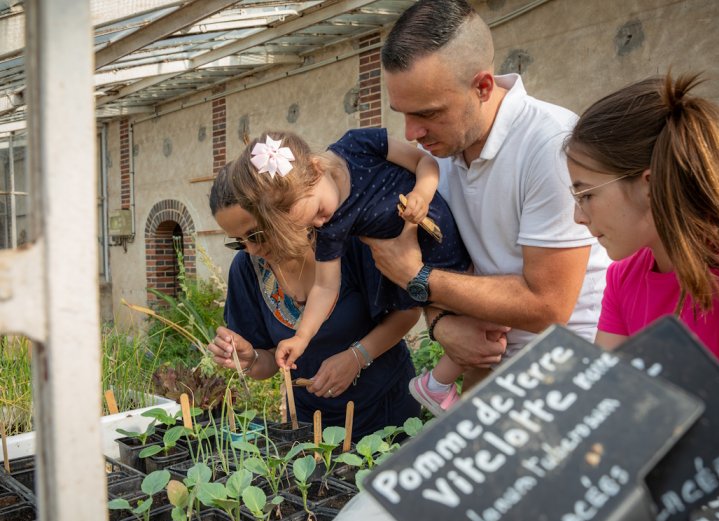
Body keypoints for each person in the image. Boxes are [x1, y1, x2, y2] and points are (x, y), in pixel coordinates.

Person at [363, 0, 610, 394]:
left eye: (427, 113)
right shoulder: (435, 157)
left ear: (482, 86)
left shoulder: (551, 144)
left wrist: (416, 277)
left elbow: (549, 304)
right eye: (402, 114)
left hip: (570, 369)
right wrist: (442, 325)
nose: (411, 133)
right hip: (489, 371)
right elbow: (444, 270)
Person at [564, 72, 719, 507]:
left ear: (646, 184)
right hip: (672, 472)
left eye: (586, 195)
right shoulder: (625, 276)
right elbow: (605, 408)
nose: (577, 217)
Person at [229, 129, 471, 416]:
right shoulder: (332, 229)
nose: (321, 223)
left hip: (446, 243)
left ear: (317, 168)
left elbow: (425, 162)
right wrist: (301, 338)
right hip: (436, 263)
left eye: (318, 210)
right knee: (480, 334)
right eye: (309, 224)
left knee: (483, 329)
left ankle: (445, 390)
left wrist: (421, 194)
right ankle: (443, 389)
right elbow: (325, 288)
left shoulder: (357, 145)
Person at [206, 164, 422, 438]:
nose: (252, 249)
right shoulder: (247, 269)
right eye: (239, 242)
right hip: (311, 423)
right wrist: (250, 359)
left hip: (385, 410)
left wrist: (357, 357)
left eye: (257, 234)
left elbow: (407, 313)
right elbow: (271, 361)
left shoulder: (348, 242)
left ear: (284, 210)